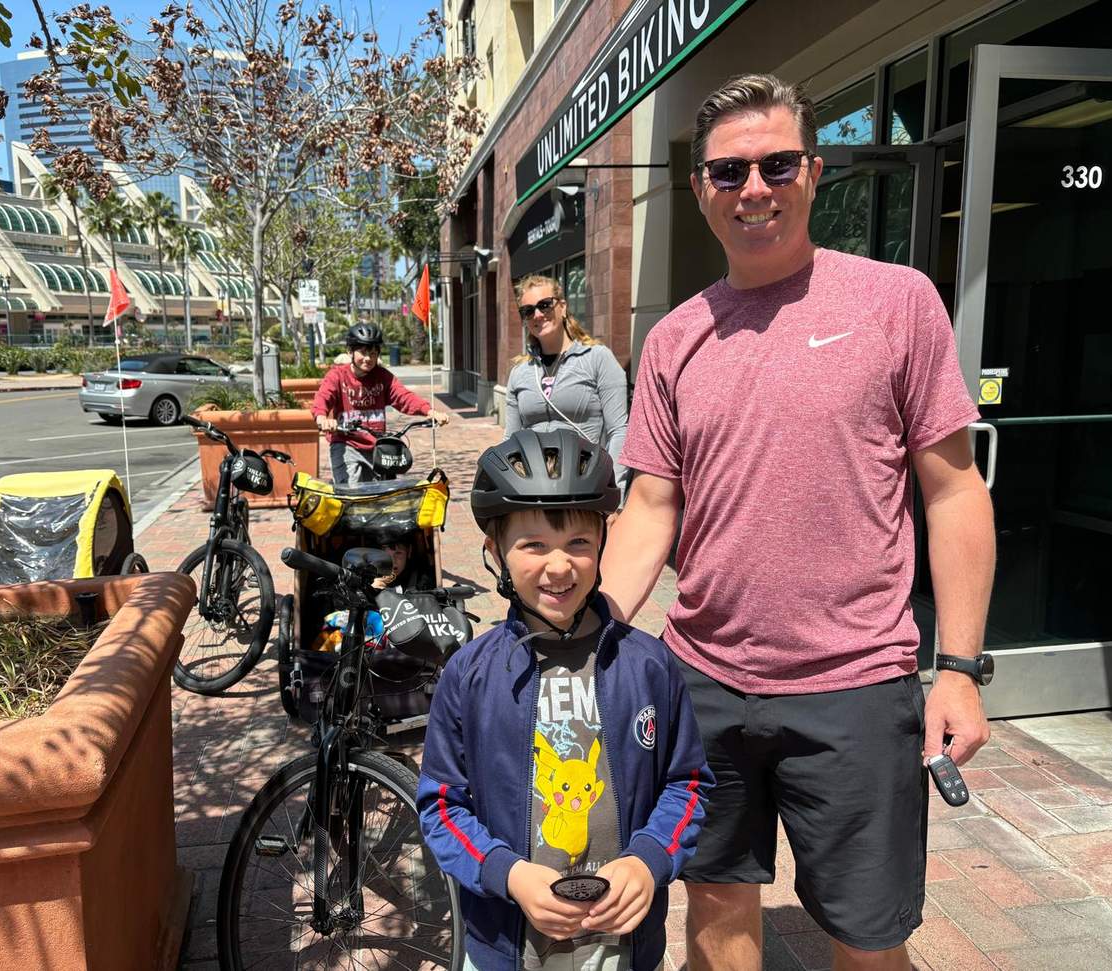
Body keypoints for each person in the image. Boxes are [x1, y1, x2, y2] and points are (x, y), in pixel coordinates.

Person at [600, 74, 996, 971]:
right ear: (699, 188)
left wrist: (961, 668)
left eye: (777, 164)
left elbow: (953, 490)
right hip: (700, 680)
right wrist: (586, 638)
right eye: (728, 171)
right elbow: (651, 506)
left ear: (812, 174)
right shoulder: (673, 340)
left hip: (855, 682)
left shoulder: (895, 302)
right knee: (713, 905)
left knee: (867, 935)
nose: (753, 188)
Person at [417, 429, 714, 971]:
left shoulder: (648, 665)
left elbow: (687, 783)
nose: (559, 566)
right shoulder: (469, 674)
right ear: (495, 553)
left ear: (603, 544)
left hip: (620, 948)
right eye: (533, 545)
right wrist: (505, 872)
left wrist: (649, 862)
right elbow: (441, 804)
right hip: (506, 946)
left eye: (578, 542)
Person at [504, 275, 630, 495]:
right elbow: (510, 440)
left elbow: (619, 431)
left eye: (545, 305)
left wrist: (614, 495)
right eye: (528, 310)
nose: (538, 315)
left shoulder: (597, 359)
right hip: (533, 488)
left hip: (584, 484)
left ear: (562, 307)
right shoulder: (520, 372)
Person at [311, 321, 448, 485]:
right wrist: (322, 419)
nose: (368, 358)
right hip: (346, 444)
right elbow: (323, 398)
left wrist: (430, 412)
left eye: (374, 353)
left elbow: (403, 396)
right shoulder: (337, 376)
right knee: (350, 493)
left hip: (377, 446)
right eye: (363, 352)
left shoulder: (383, 377)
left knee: (383, 495)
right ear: (350, 352)